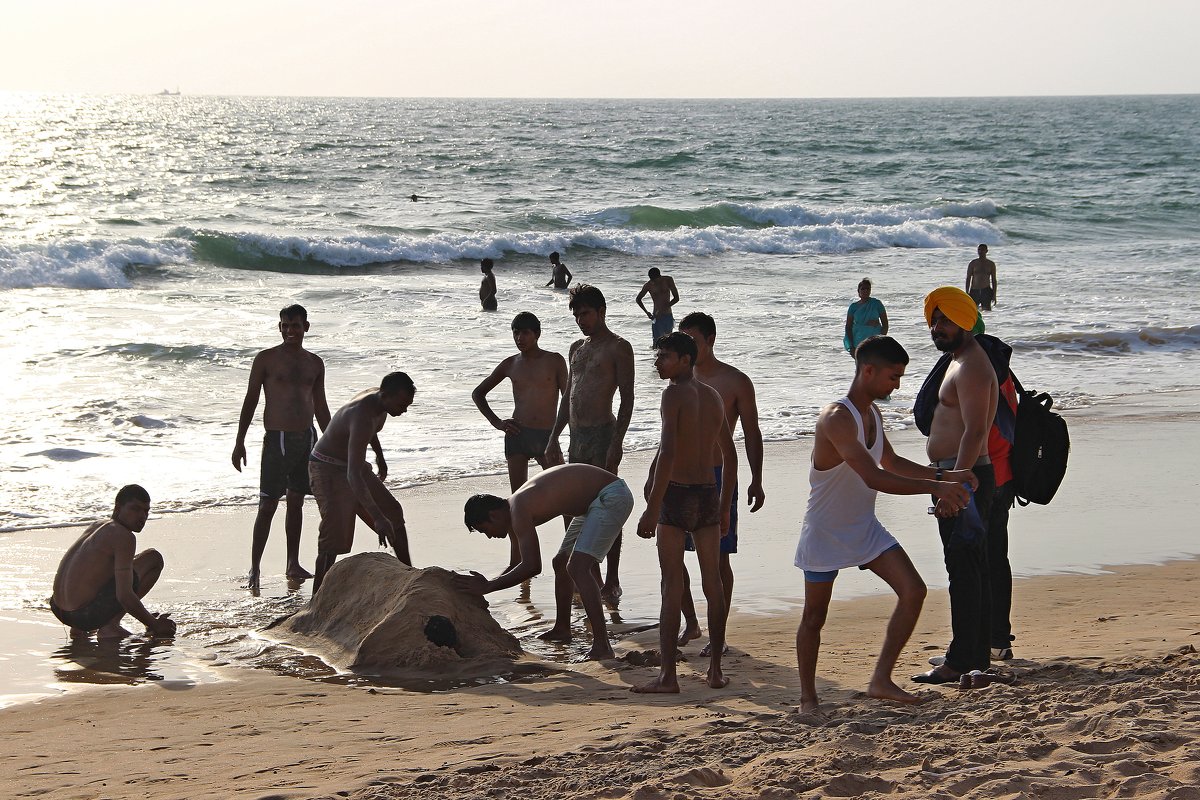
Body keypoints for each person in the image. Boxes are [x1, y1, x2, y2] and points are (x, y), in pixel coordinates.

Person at [794, 336, 976, 712]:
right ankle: (808, 698)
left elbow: (891, 463)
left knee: (913, 590)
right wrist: (936, 487)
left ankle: (880, 680)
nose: (898, 385)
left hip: (864, 528)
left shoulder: (872, 414)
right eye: (893, 377)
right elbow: (872, 476)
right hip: (826, 532)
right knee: (814, 618)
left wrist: (948, 475)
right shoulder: (836, 418)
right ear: (868, 371)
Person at [632, 332, 737, 694]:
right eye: (658, 356)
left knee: (671, 584)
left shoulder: (672, 394)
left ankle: (667, 676)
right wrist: (724, 507)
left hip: (677, 497)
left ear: (685, 360)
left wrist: (651, 508)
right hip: (707, 494)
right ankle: (715, 670)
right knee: (713, 582)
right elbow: (729, 456)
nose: (658, 362)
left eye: (665, 356)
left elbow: (670, 453)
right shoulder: (713, 396)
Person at [456, 464, 634, 660]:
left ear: (493, 515)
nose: (489, 537)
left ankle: (603, 646)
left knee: (578, 568)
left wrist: (489, 586)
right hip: (594, 503)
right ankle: (562, 629)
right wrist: (487, 584)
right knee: (561, 563)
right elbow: (516, 563)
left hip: (611, 496)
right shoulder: (513, 509)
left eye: (484, 530)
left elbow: (532, 566)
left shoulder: (519, 509)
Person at [912, 287, 999, 685]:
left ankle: (961, 660)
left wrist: (957, 485)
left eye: (945, 319)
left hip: (963, 477)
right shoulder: (959, 361)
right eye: (934, 319)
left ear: (966, 319)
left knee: (964, 571)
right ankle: (972, 652)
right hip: (955, 475)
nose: (937, 327)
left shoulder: (973, 367)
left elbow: (975, 431)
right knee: (970, 569)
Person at [675, 312, 766, 656]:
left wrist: (756, 479)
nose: (688, 347)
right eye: (683, 341)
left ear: (710, 340)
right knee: (671, 556)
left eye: (693, 341)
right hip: (680, 476)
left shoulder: (736, 381)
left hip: (717, 477)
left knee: (716, 560)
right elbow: (670, 434)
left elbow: (752, 433)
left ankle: (718, 635)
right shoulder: (679, 379)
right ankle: (691, 621)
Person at [231, 304, 333, 592]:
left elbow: (321, 406)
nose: (290, 331)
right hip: (277, 439)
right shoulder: (266, 359)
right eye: (285, 326)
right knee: (267, 504)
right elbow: (250, 399)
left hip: (306, 438)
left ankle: (292, 562)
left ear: (306, 327)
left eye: (296, 326)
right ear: (279, 327)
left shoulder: (315, 363)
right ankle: (255, 567)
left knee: (297, 501)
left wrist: (333, 441)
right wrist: (239, 441)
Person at [547, 284, 634, 604]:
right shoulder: (576, 348)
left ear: (601, 312)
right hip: (577, 438)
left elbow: (627, 399)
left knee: (606, 506)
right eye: (576, 315)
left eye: (585, 314)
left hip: (602, 435)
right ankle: (589, 576)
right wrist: (553, 436)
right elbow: (568, 396)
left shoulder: (619, 347)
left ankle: (611, 578)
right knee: (574, 507)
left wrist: (617, 442)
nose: (580, 320)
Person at [472, 312, 568, 568]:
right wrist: (497, 422)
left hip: (547, 436)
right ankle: (518, 561)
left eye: (525, 332)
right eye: (516, 332)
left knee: (567, 496)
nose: (520, 338)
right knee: (516, 503)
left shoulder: (555, 361)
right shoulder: (510, 364)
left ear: (537, 334)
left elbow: (568, 400)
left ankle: (572, 554)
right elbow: (478, 393)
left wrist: (556, 436)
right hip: (518, 436)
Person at [308, 372, 416, 593]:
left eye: (407, 405)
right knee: (334, 538)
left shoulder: (379, 402)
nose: (404, 410)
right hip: (326, 467)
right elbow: (353, 476)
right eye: (402, 405)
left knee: (393, 513)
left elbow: (369, 432)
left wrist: (379, 456)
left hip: (352, 463)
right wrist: (376, 518)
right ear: (385, 395)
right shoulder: (361, 415)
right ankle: (317, 597)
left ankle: (410, 577)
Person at [50, 484, 177, 640]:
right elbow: (124, 595)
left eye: (146, 511)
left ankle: (79, 630)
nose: (142, 516)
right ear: (118, 508)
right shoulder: (124, 536)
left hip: (59, 609)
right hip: (82, 615)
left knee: (120, 568)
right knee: (153, 559)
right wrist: (154, 624)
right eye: (135, 509)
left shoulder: (97, 525)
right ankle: (111, 627)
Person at [843, 278, 889, 356]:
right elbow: (848, 327)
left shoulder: (876, 304)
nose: (865, 291)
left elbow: (885, 324)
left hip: (875, 341)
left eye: (868, 289)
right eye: (863, 289)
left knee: (875, 365)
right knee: (861, 366)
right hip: (858, 341)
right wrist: (851, 345)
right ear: (858, 291)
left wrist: (881, 340)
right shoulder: (853, 307)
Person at [635, 267, 680, 346]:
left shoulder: (668, 280)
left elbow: (676, 298)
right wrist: (647, 312)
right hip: (656, 317)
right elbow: (638, 299)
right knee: (656, 343)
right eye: (652, 280)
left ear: (660, 276)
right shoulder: (648, 285)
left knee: (668, 343)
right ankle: (654, 358)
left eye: (655, 280)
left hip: (668, 315)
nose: (654, 282)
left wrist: (664, 308)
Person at [966, 244, 997, 311]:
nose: (980, 251)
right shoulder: (973, 263)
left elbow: (994, 280)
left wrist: (994, 294)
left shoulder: (991, 264)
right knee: (972, 311)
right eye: (979, 250)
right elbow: (968, 278)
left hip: (986, 290)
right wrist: (967, 292)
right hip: (974, 291)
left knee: (987, 311)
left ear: (986, 251)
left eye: (982, 250)